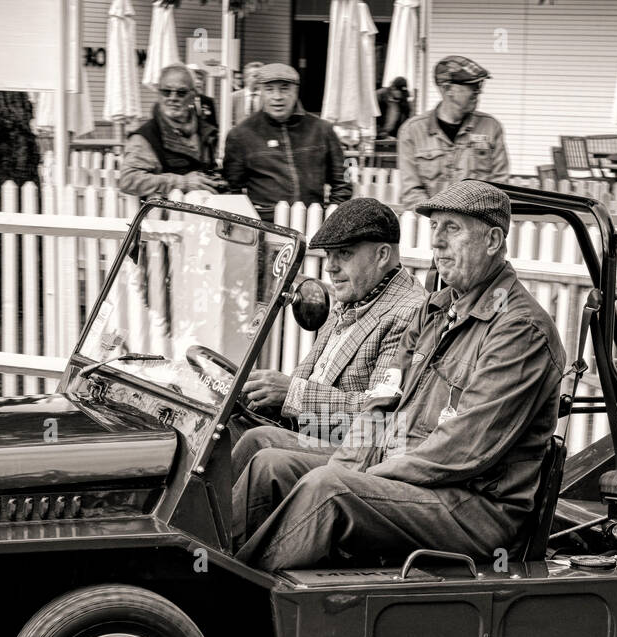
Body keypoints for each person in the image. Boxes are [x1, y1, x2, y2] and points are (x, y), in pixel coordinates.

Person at [232, 180, 566, 571]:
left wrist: (365, 475)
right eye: (434, 227)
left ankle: (231, 592)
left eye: (452, 229)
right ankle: (204, 560)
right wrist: (350, 463)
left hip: (473, 506)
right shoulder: (435, 312)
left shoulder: (520, 329)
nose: (437, 243)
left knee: (329, 491)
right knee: (269, 463)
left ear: (493, 240)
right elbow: (381, 403)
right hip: (407, 470)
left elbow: (462, 450)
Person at [232, 197, 426, 475]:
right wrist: (261, 394)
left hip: (354, 450)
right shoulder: (354, 296)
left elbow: (380, 418)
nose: (330, 267)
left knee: (259, 442)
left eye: (344, 254)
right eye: (328, 255)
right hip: (309, 428)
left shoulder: (410, 312)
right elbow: (305, 382)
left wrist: (292, 393)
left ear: (382, 255)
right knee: (222, 424)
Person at [222, 63, 352, 222]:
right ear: (260, 92)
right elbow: (231, 190)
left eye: (284, 88)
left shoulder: (323, 129)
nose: (277, 97)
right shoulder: (241, 134)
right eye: (269, 89)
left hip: (313, 223)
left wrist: (333, 220)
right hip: (265, 226)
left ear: (295, 91)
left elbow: (344, 179)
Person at [396, 56, 509, 210]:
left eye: (479, 85)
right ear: (447, 89)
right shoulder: (412, 132)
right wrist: (440, 219)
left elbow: (499, 188)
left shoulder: (491, 128)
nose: (478, 91)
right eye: (472, 85)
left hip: (476, 226)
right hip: (430, 227)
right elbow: (411, 192)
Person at [119, 64, 221, 199]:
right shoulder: (145, 137)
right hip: (163, 215)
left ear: (193, 95)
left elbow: (209, 168)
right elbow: (128, 180)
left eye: (181, 92)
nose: (173, 98)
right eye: (166, 92)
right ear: (158, 94)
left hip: (207, 211)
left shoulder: (206, 131)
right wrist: (182, 182)